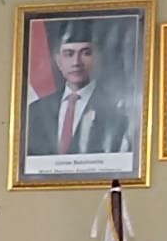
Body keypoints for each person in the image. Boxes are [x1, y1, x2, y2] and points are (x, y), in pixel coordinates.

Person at [25, 19, 133, 157]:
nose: (76, 62)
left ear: (96, 58)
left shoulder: (115, 112)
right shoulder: (36, 110)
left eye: (85, 53)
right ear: (58, 61)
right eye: (69, 54)